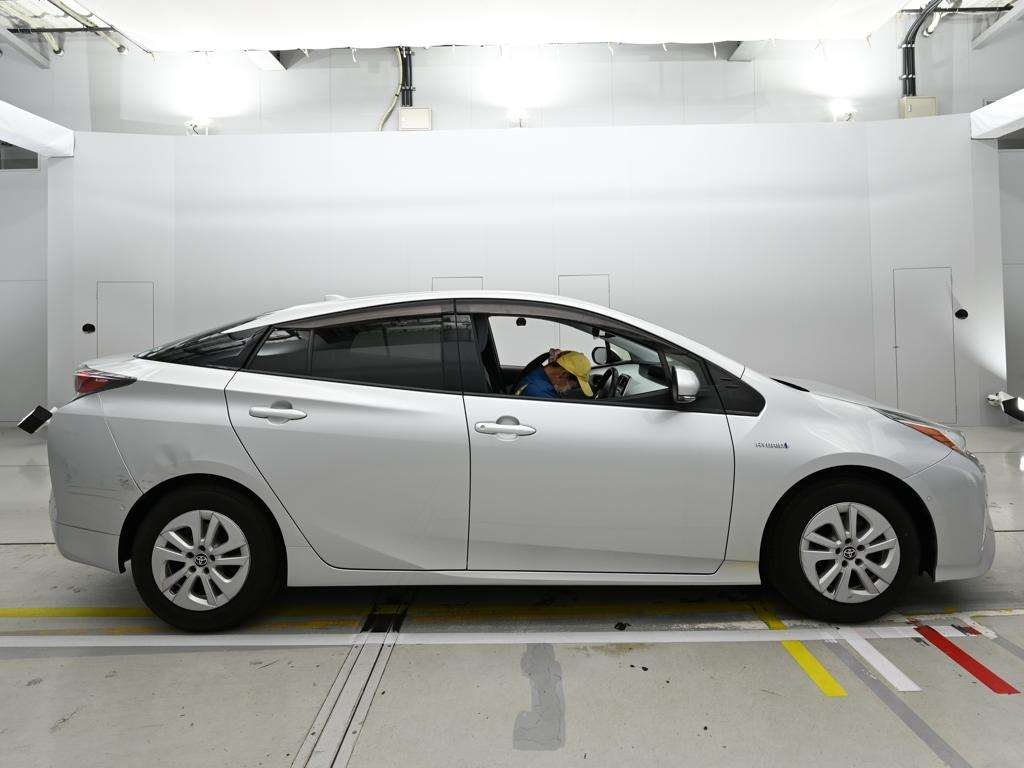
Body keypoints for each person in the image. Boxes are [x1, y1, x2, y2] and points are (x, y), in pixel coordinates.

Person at [515, 349, 593, 399]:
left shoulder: (536, 373)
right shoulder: (540, 393)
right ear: (563, 374)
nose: (568, 390)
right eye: (572, 387)